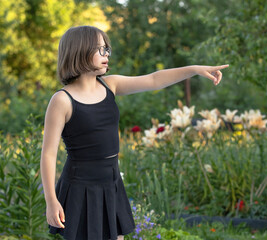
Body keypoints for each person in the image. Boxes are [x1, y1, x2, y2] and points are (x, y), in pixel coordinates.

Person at [40, 25, 229, 240]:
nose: (106, 55)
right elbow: (48, 154)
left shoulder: (110, 85)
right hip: (80, 187)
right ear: (79, 51)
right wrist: (51, 200)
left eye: (107, 49)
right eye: (100, 50)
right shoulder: (62, 100)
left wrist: (193, 69)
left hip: (111, 182)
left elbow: (154, 80)